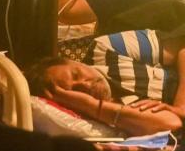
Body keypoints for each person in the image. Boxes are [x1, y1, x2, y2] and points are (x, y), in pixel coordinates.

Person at [25, 28, 185, 136]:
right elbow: (170, 123)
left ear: (74, 61)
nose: (86, 84)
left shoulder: (104, 50)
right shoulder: (109, 115)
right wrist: (93, 107)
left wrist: (181, 106)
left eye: (76, 74)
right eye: (75, 90)